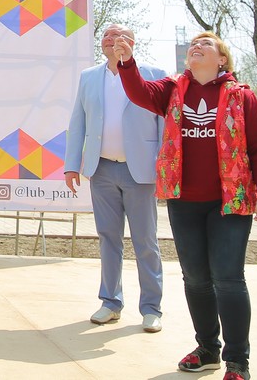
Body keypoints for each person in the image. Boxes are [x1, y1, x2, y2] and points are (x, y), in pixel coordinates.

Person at [115, 31, 257, 380]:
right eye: (193, 45)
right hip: (184, 200)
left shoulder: (241, 95)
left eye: (206, 44)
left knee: (228, 279)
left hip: (230, 202)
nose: (196, 47)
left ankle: (237, 362)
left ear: (222, 59)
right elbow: (139, 92)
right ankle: (207, 349)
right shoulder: (173, 89)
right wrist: (126, 61)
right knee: (196, 279)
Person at [63, 25, 166, 332]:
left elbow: (164, 124)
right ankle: (110, 302)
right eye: (106, 36)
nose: (110, 40)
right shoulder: (89, 77)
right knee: (108, 238)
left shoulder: (154, 74)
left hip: (141, 172)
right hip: (102, 169)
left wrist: (164, 167)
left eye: (118, 36)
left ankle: (151, 308)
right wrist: (72, 165)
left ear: (132, 43)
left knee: (145, 241)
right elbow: (78, 122)